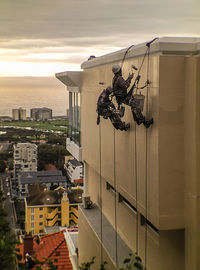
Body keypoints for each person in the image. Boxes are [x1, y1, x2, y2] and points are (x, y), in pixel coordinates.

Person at [112, 64, 153, 128]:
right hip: (124, 98)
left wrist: (129, 78)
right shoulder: (119, 78)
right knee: (135, 105)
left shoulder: (114, 78)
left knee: (134, 106)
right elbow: (126, 85)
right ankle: (144, 122)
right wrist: (130, 78)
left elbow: (123, 84)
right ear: (119, 70)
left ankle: (139, 120)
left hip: (121, 98)